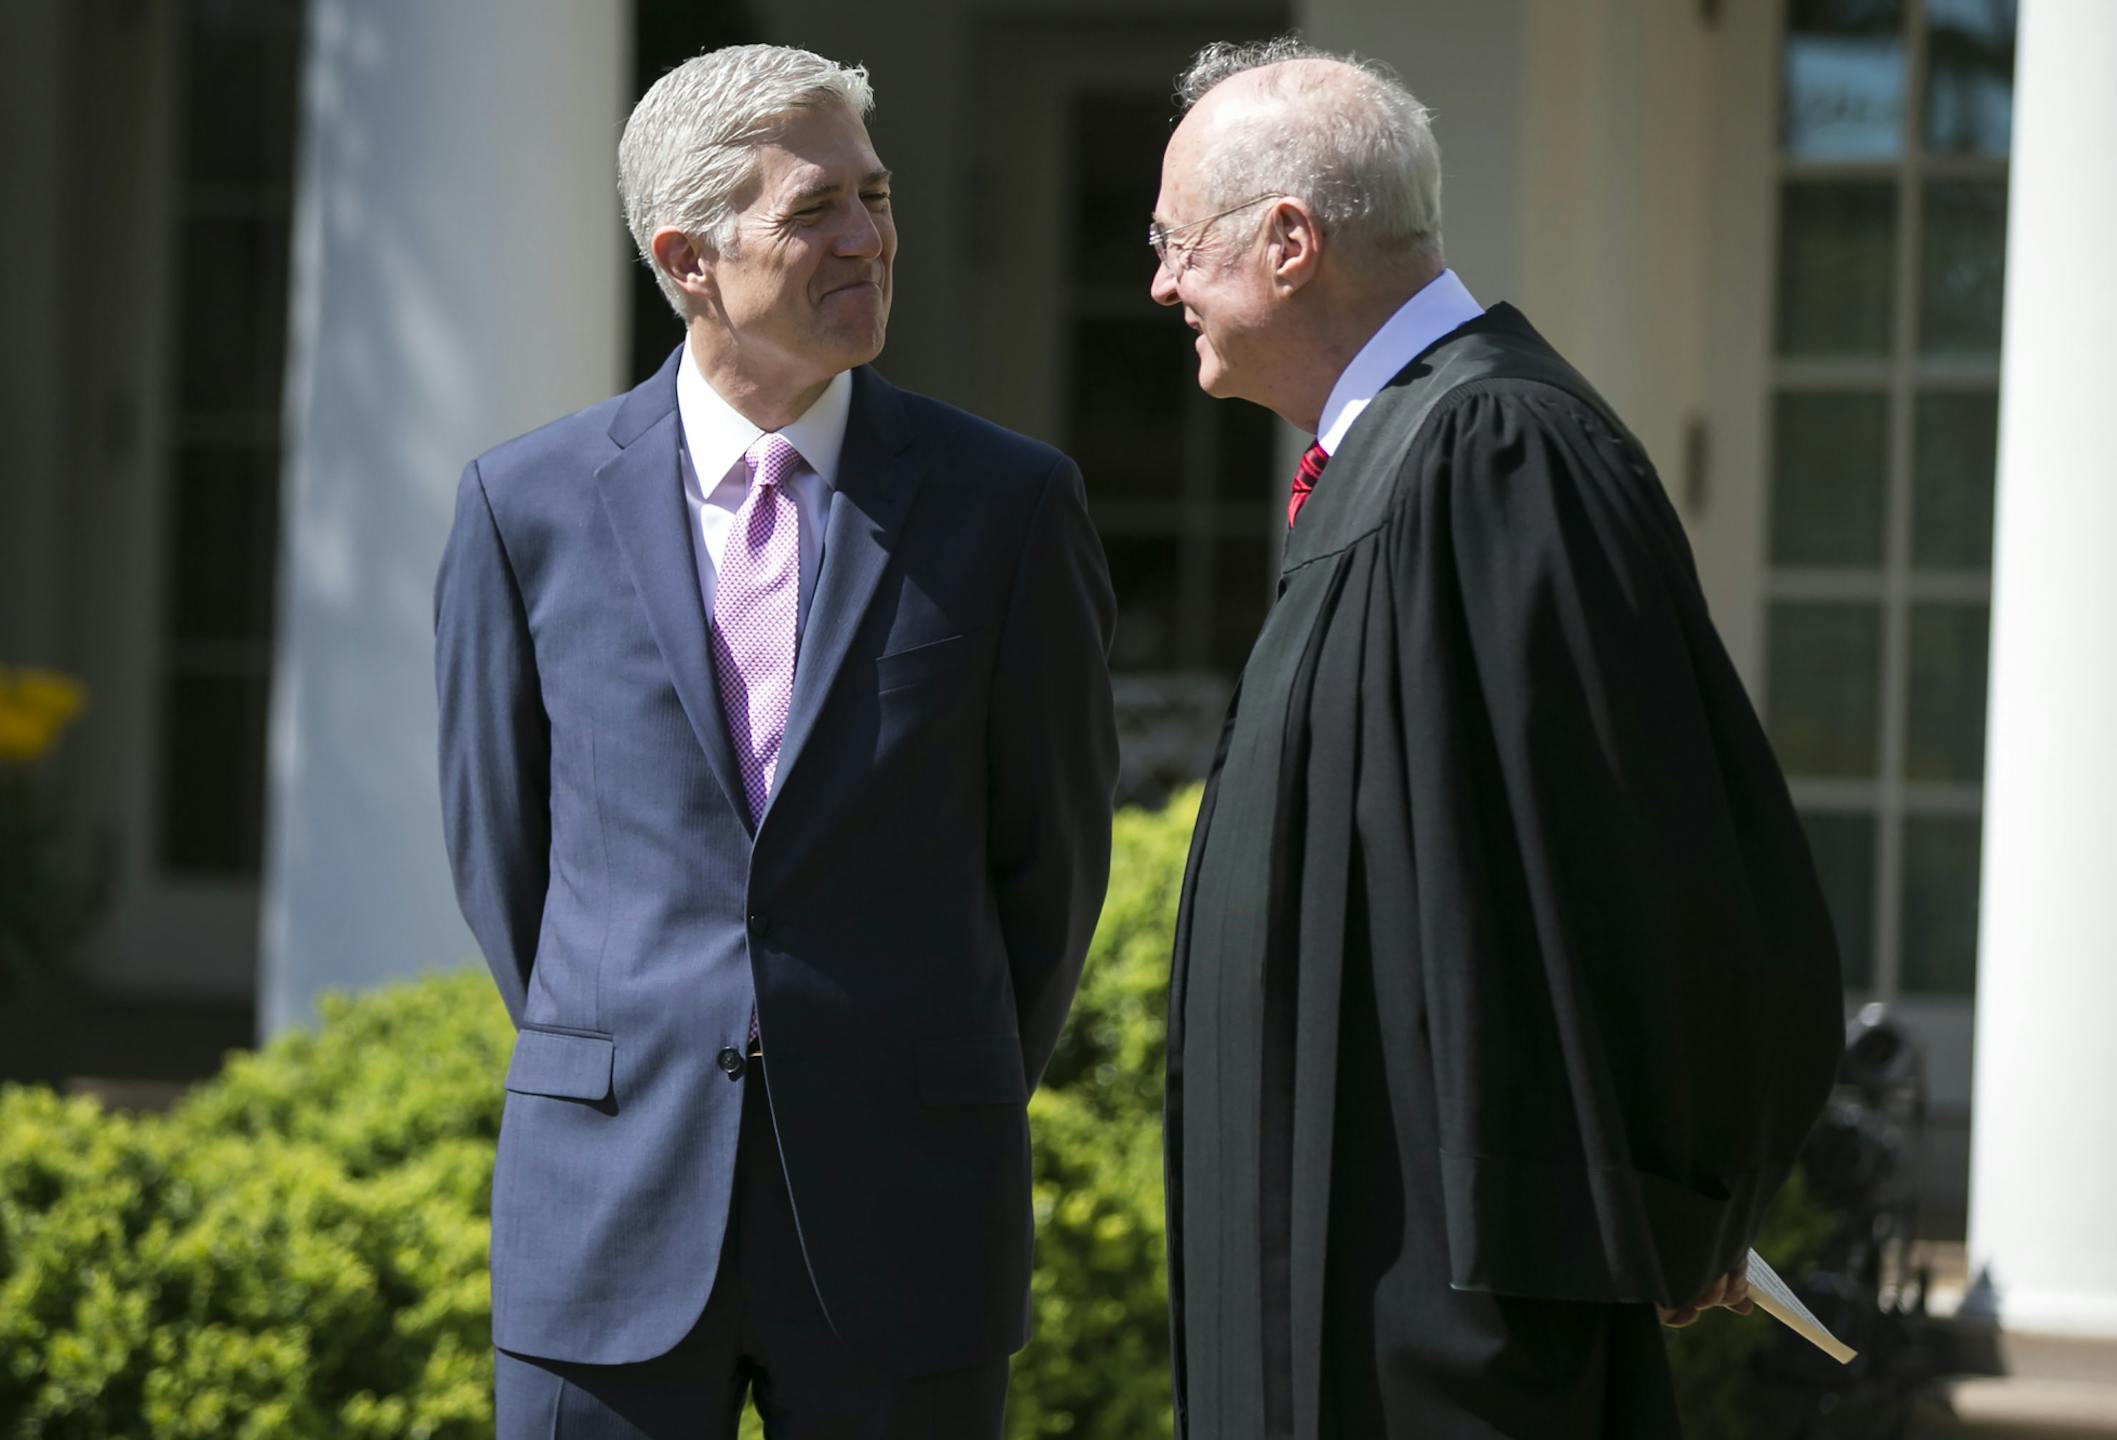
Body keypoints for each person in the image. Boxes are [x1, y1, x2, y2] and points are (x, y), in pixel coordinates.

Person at [1150, 38, 1844, 1438]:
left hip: (1448, 1321)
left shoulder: (1496, 454)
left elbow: (1653, 851)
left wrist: (1682, 1191)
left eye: (1176, 243)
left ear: (1288, 243)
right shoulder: (1388, 461)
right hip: (1340, 1274)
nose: (1160, 284)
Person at [435, 44, 1118, 1438]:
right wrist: (640, 1040)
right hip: (606, 1221)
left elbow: (1050, 872)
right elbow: (506, 856)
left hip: (907, 1216)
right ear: (691, 260)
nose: (871, 238)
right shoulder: (526, 508)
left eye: (876, 197)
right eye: (818, 211)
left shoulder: (1010, 506)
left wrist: (913, 1069)